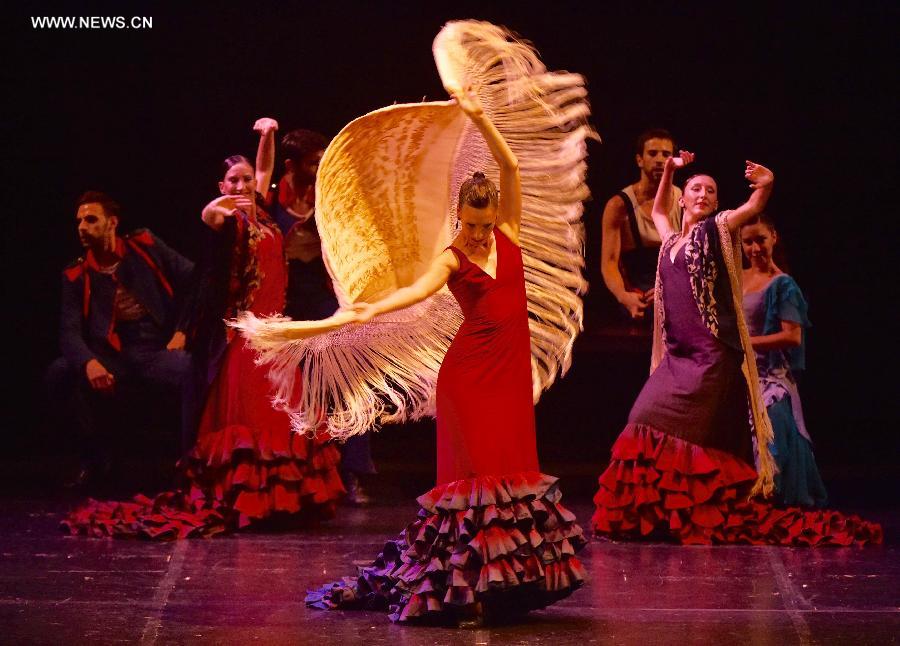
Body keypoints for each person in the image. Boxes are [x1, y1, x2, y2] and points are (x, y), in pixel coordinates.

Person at [302, 89, 585, 624]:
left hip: (507, 379)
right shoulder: (452, 258)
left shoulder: (510, 233)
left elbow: (508, 163)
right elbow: (416, 291)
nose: (477, 234)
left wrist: (478, 116)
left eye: (484, 224)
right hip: (468, 379)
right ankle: (465, 591)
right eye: (470, 224)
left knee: (510, 475)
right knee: (474, 483)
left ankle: (506, 585)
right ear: (458, 216)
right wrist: (364, 312)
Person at [62, 119, 345, 538]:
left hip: (275, 330)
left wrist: (266, 136)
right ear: (222, 183)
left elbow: (264, 173)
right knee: (251, 421)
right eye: (234, 179)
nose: (244, 184)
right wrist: (231, 199)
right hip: (246, 332)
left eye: (248, 178)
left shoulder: (263, 213)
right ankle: (249, 502)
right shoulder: (229, 219)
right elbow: (208, 211)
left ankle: (285, 503)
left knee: (286, 419)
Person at [591, 151, 881, 546]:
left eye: (710, 190)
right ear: (683, 197)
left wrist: (767, 184)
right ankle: (657, 515)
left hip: (712, 358)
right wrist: (671, 172)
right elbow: (659, 208)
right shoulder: (671, 237)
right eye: (695, 188)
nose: (703, 195)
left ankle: (693, 513)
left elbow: (752, 207)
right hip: (678, 357)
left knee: (685, 434)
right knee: (642, 414)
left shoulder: (718, 229)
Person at [46, 191, 194, 486]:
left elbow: (194, 280)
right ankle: (95, 460)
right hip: (109, 353)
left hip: (152, 346)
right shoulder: (76, 273)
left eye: (91, 220)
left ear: (112, 222)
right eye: (79, 222)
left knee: (192, 370)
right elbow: (69, 331)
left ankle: (191, 459)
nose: (82, 227)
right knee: (60, 372)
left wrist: (183, 329)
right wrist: (89, 363)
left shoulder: (144, 245)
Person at [268, 128, 377, 505]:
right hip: (283, 298)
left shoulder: (330, 193)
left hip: (323, 293)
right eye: (313, 162)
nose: (320, 167)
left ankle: (354, 472)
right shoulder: (271, 198)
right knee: (289, 388)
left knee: (346, 380)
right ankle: (294, 478)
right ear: (290, 166)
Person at [741, 214, 827, 507]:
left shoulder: (783, 285)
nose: (755, 248)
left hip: (770, 377)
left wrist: (746, 343)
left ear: (773, 238)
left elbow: (792, 337)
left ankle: (771, 498)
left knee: (772, 444)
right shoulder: (737, 277)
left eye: (760, 240)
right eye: (748, 242)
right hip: (738, 373)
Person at [600, 129, 682, 323]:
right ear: (639, 160)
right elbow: (609, 262)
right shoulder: (619, 205)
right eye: (653, 153)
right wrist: (623, 296)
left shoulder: (684, 200)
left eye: (666, 154)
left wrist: (673, 291)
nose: (660, 160)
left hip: (676, 288)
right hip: (638, 291)